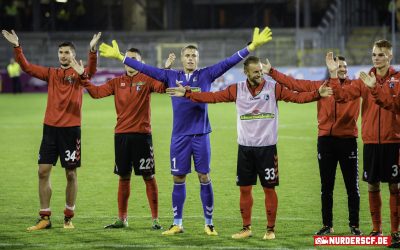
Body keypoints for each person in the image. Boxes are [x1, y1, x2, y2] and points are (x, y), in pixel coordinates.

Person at [99, 27, 273, 236]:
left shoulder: (207, 74)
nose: (191, 58)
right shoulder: (171, 76)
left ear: (198, 59)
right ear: (182, 58)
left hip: (200, 135)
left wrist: (251, 47)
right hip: (179, 137)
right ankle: (177, 223)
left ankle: (209, 223)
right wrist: (121, 57)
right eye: (187, 55)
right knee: (178, 179)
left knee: (204, 176)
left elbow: (228, 61)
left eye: (194, 56)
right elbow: (145, 69)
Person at [166, 56, 332, 239]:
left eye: (261, 71)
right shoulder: (237, 89)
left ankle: (270, 230)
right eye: (256, 72)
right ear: (246, 72)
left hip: (267, 148)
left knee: (269, 189)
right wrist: (188, 94)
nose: (260, 75)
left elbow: (296, 97)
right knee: (245, 189)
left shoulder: (273, 88)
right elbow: (212, 97)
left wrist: (317, 94)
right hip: (245, 148)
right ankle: (246, 228)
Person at [1, 29, 101, 231]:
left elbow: (90, 72)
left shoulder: (79, 74)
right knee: (42, 171)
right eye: (61, 53)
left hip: (71, 130)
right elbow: (27, 68)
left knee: (71, 174)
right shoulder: (51, 73)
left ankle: (68, 215)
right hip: (50, 129)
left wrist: (92, 50)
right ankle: (44, 217)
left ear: (73, 54)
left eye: (67, 52)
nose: (63, 56)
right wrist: (16, 47)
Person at [68, 49, 176, 230]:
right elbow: (95, 93)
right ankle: (122, 219)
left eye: (135, 60)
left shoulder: (147, 79)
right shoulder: (117, 82)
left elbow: (163, 88)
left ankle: (155, 219)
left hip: (142, 136)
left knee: (148, 177)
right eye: (128, 60)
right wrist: (83, 77)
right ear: (124, 62)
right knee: (123, 176)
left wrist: (165, 71)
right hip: (121, 136)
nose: (131, 63)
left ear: (140, 63)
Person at [263, 56, 362, 236]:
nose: (343, 69)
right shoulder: (321, 86)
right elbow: (294, 84)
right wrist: (271, 72)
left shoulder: (355, 87)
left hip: (348, 141)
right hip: (325, 141)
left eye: (345, 67)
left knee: (352, 187)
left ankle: (354, 225)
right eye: (339, 66)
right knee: (326, 186)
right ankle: (327, 225)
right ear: (331, 67)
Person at [326, 40, 400, 248]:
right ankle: (377, 230)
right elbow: (341, 96)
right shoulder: (365, 79)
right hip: (370, 141)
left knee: (395, 186)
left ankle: (396, 233)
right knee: (373, 184)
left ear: (390, 57)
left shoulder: (397, 79)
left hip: (393, 140)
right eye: (374, 54)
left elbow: (394, 104)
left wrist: (375, 88)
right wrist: (333, 75)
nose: (376, 58)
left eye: (381, 55)